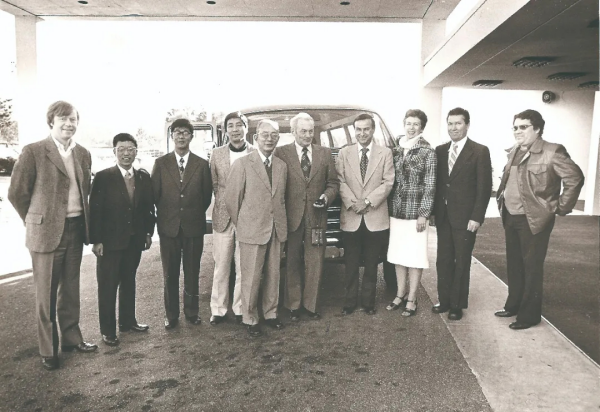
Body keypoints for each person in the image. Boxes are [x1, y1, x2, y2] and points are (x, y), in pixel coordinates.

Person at [8, 101, 98, 371]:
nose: (69, 124)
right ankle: (48, 349)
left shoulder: (83, 153)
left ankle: (71, 338)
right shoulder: (34, 151)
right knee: (46, 293)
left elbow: (85, 190)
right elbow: (17, 194)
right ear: (51, 122)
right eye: (63, 119)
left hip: (75, 229)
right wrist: (35, 220)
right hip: (45, 233)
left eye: (73, 119)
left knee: (70, 289)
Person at [495, 109, 584, 330]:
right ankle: (513, 305)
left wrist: (560, 207)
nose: (517, 131)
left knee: (531, 268)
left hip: (534, 219)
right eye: (515, 127)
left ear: (537, 129)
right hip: (511, 216)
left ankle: (529, 316)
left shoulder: (552, 151)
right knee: (515, 265)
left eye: (523, 127)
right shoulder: (515, 150)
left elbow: (574, 177)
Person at [90, 133, 156, 346]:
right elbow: (95, 211)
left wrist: (148, 233)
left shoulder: (143, 177)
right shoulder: (103, 177)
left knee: (129, 281)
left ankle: (128, 322)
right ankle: (108, 331)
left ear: (136, 152)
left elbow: (148, 208)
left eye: (130, 149)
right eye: (121, 149)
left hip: (134, 240)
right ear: (114, 152)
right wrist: (96, 240)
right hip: (109, 243)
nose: (126, 154)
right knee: (108, 286)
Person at [225, 119, 288, 337]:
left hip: (276, 229)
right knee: (250, 277)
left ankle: (271, 314)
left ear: (278, 138)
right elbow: (232, 200)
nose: (269, 139)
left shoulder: (281, 166)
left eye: (274, 135)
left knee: (273, 275)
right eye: (265, 135)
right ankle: (250, 318)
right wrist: (245, 223)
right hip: (251, 230)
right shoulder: (242, 164)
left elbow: (280, 199)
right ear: (256, 138)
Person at [275, 113, 339, 321]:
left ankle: (311, 306)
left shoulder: (325, 153)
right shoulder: (281, 153)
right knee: (292, 261)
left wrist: (326, 197)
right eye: (303, 131)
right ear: (293, 132)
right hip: (292, 217)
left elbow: (333, 183)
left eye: (310, 131)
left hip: (316, 217)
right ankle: (293, 305)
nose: (307, 135)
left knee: (315, 262)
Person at [431, 107, 492, 321]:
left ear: (467, 125)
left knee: (462, 261)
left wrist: (477, 217)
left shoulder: (479, 151)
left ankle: (456, 305)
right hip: (444, 216)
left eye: (458, 123)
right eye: (450, 123)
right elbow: (438, 184)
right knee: (443, 260)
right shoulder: (440, 151)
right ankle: (444, 300)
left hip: (466, 218)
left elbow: (484, 187)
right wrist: (433, 213)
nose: (453, 127)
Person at [151, 118, 213, 329]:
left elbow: (206, 197)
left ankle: (192, 312)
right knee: (170, 274)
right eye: (177, 132)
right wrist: (170, 216)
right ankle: (171, 315)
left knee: (192, 271)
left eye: (185, 132)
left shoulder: (202, 164)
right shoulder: (161, 163)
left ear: (191, 137)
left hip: (193, 227)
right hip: (168, 228)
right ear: (172, 136)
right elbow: (155, 195)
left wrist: (190, 215)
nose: (181, 136)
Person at [336, 113, 394, 315]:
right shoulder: (344, 153)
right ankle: (349, 303)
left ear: (373, 130)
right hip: (351, 216)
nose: (362, 133)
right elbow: (340, 181)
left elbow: (388, 182)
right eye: (358, 129)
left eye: (366, 129)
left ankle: (368, 303)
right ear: (354, 130)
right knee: (350, 263)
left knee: (371, 264)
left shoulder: (385, 153)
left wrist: (367, 201)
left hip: (375, 217)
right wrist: (354, 203)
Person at [386, 109, 436, 316]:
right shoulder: (397, 150)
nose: (412, 127)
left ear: (422, 127)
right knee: (398, 255)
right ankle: (400, 294)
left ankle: (412, 298)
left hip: (416, 215)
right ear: (404, 125)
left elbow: (430, 185)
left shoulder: (427, 152)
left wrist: (424, 213)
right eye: (409, 123)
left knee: (415, 257)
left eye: (416, 124)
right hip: (396, 212)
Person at [209, 111, 254, 326]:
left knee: (244, 266)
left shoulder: (255, 152)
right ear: (225, 130)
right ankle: (218, 309)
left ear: (246, 128)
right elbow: (214, 185)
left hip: (248, 218)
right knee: (221, 265)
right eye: (231, 126)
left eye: (239, 125)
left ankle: (240, 308)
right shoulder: (216, 154)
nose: (235, 130)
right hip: (223, 217)